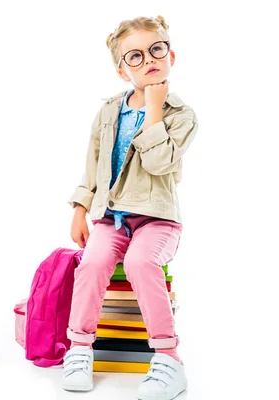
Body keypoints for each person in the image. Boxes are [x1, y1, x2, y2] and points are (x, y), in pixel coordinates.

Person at [62, 15, 198, 400]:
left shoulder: (181, 116)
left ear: (171, 54)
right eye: (134, 56)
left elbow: (159, 164)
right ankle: (80, 348)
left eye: (155, 50)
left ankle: (170, 359)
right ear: (122, 71)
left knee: (141, 263)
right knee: (91, 263)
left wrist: (155, 107)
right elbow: (94, 161)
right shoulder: (108, 111)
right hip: (112, 216)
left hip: (158, 220)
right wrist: (80, 207)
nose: (148, 59)